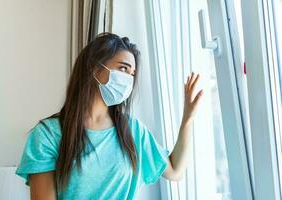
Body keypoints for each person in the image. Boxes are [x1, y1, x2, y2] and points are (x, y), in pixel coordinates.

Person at [15, 32, 203, 200]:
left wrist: (187, 119)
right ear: (93, 67)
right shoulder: (47, 134)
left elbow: (175, 171)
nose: (128, 79)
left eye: (132, 73)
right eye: (123, 68)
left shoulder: (133, 130)